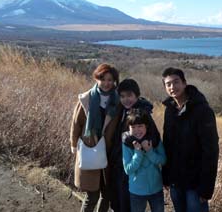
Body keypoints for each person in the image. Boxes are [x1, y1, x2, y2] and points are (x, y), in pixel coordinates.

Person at [161, 67, 219, 212]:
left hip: (196, 183)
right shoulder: (169, 110)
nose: (172, 87)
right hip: (175, 180)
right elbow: (167, 144)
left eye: (176, 82)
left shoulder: (203, 111)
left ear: (185, 83)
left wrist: (206, 188)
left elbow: (211, 151)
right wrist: (166, 176)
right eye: (168, 84)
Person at [70, 63, 121, 212]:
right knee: (92, 195)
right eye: (103, 79)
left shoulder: (117, 101)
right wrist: (74, 145)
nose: (107, 83)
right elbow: (76, 123)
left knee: (107, 194)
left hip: (109, 153)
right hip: (89, 150)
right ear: (97, 79)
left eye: (110, 80)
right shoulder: (86, 98)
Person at [109, 78, 161, 212]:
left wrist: (130, 139)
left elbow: (154, 137)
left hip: (135, 167)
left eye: (130, 95)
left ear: (137, 95)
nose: (126, 99)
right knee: (119, 201)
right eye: (122, 96)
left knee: (127, 203)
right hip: (121, 163)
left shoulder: (141, 113)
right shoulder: (122, 110)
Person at [122, 108, 166, 212]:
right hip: (137, 191)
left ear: (146, 126)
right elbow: (128, 169)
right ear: (128, 128)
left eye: (140, 126)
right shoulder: (127, 144)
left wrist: (150, 151)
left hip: (156, 189)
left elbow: (163, 160)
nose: (137, 130)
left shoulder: (154, 140)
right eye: (133, 127)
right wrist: (138, 153)